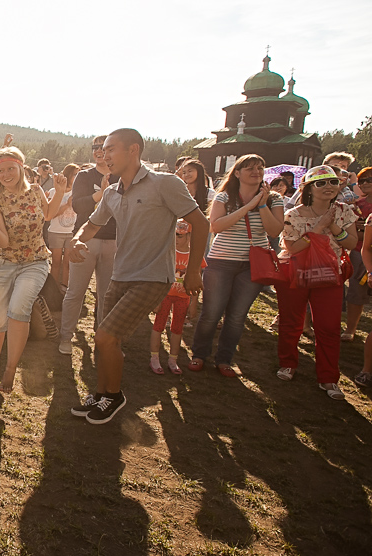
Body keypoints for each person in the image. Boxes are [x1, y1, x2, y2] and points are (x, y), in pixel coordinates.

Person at [68, 128, 208, 425]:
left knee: (107, 336)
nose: (104, 155)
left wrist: (194, 270)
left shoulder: (165, 183)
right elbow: (91, 226)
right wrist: (78, 239)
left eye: (111, 148)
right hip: (121, 274)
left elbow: (201, 223)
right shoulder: (111, 192)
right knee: (103, 339)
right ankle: (101, 393)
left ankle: (115, 397)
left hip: (153, 277)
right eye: (102, 149)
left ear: (134, 150)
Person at [0, 146, 67, 392]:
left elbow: (48, 215)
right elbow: (3, 242)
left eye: (10, 168)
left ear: (20, 167)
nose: (6, 174)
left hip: (35, 261)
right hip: (4, 263)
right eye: (1, 171)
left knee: (19, 310)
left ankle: (11, 368)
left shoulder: (36, 191)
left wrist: (59, 192)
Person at [189, 154, 283, 376]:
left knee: (237, 316)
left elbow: (274, 231)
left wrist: (261, 206)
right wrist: (248, 206)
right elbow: (216, 226)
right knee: (211, 313)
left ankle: (224, 359)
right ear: (237, 173)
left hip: (253, 265)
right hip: (221, 261)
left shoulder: (274, 198)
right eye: (249, 168)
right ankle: (199, 355)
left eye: (260, 167)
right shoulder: (224, 197)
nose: (256, 171)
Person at [275, 165, 358, 400]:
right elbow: (291, 248)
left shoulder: (345, 211)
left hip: (329, 275)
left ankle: (328, 377)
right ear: (308, 188)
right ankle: (287, 364)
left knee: (329, 327)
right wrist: (319, 230)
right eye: (320, 183)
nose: (328, 187)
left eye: (332, 182)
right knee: (291, 321)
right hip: (296, 271)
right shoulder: (293, 214)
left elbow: (351, 243)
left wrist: (332, 225)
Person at [59, 135, 117, 354]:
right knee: (75, 291)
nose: (99, 150)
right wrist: (100, 194)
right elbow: (78, 205)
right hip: (85, 241)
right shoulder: (85, 176)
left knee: (107, 295)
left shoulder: (121, 177)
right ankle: (66, 337)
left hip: (113, 241)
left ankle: (102, 338)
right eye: (95, 147)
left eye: (104, 147)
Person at [151, 221, 207, 374]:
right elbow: (158, 276)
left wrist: (194, 303)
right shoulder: (166, 252)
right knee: (158, 326)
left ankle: (173, 359)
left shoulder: (196, 255)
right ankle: (154, 358)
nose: (175, 238)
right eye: (173, 235)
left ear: (189, 237)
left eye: (179, 236)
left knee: (177, 328)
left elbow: (197, 280)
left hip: (183, 298)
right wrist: (156, 299)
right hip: (165, 296)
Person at [342, 166, 372, 341]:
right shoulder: (356, 206)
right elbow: (350, 231)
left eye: (370, 179)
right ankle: (350, 329)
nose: (365, 183)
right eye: (362, 180)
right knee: (355, 291)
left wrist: (363, 229)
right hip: (359, 252)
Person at [46, 163, 80, 288]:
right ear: (68, 175)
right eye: (75, 174)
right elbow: (50, 215)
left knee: (67, 263)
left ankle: (65, 288)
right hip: (56, 232)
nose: (77, 177)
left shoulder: (78, 192)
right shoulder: (54, 191)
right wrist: (67, 205)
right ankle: (54, 289)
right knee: (56, 263)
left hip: (72, 232)